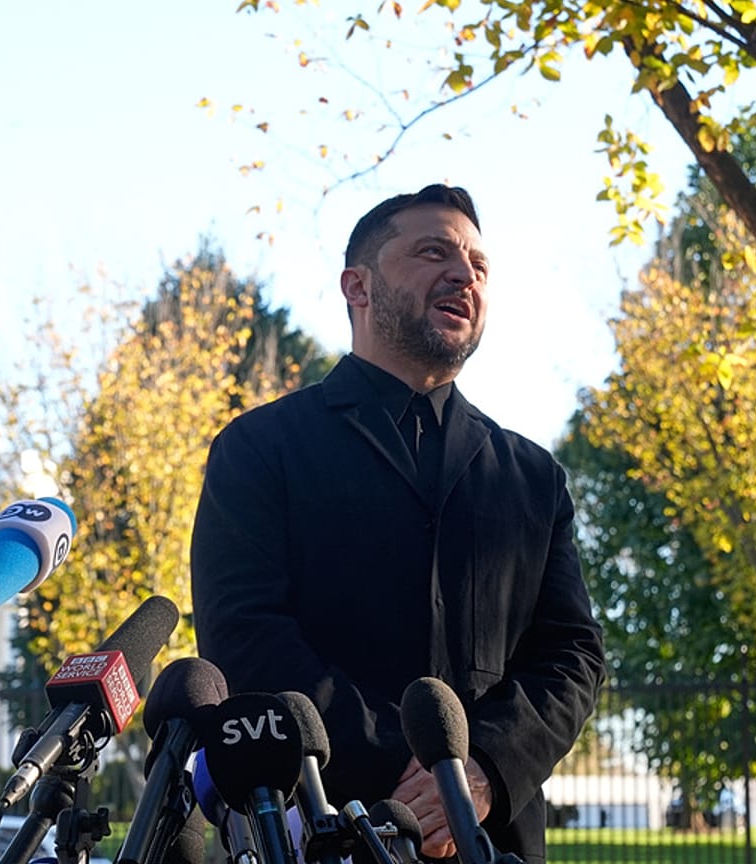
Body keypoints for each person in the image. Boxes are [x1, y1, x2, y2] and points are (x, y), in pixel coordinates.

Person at [190, 184, 605, 863]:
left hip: (496, 838)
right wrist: (407, 776)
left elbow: (572, 655)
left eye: (478, 264)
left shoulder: (532, 475)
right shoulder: (261, 447)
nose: (463, 275)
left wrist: (483, 772)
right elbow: (245, 634)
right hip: (321, 826)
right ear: (358, 284)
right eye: (433, 252)